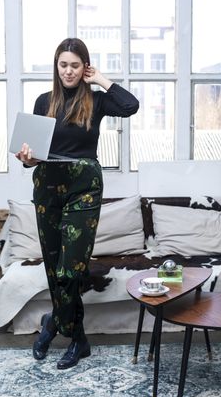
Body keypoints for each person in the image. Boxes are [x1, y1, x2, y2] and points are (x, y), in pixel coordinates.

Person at [15, 37, 139, 370]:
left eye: (75, 65)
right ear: (56, 67)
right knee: (55, 268)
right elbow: (34, 157)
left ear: (83, 66)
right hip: (47, 187)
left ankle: (54, 322)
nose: (68, 71)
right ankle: (78, 338)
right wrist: (26, 159)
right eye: (63, 64)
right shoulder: (43, 102)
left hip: (84, 188)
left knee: (72, 269)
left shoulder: (96, 101)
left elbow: (130, 106)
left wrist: (99, 79)